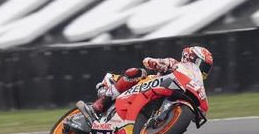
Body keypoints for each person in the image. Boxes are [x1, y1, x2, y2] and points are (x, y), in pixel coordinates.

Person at [86, 46, 214, 117]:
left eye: (206, 68)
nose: (203, 70)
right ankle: (102, 103)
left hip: (160, 98)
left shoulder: (194, 82)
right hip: (147, 86)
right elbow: (147, 60)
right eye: (202, 65)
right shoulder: (174, 63)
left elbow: (201, 108)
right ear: (191, 57)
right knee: (137, 72)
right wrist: (157, 64)